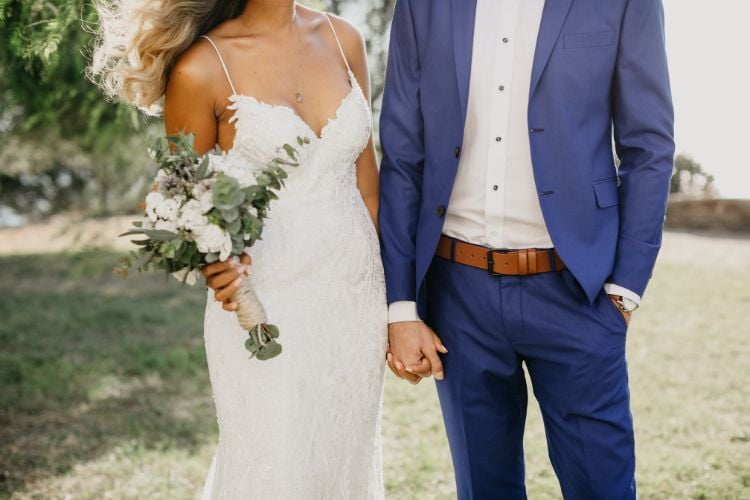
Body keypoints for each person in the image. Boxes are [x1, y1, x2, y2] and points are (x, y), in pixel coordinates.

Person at [90, 1, 394, 498]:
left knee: (343, 462)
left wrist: (397, 303)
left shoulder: (344, 38)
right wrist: (215, 264)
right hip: (265, 301)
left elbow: (369, 189)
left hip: (354, 298)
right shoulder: (201, 67)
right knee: (274, 466)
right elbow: (179, 199)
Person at [379, 0, 674, 498]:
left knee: (603, 488)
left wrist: (624, 291)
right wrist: (402, 306)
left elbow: (649, 147)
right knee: (484, 489)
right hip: (458, 298)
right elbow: (403, 156)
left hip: (579, 292)